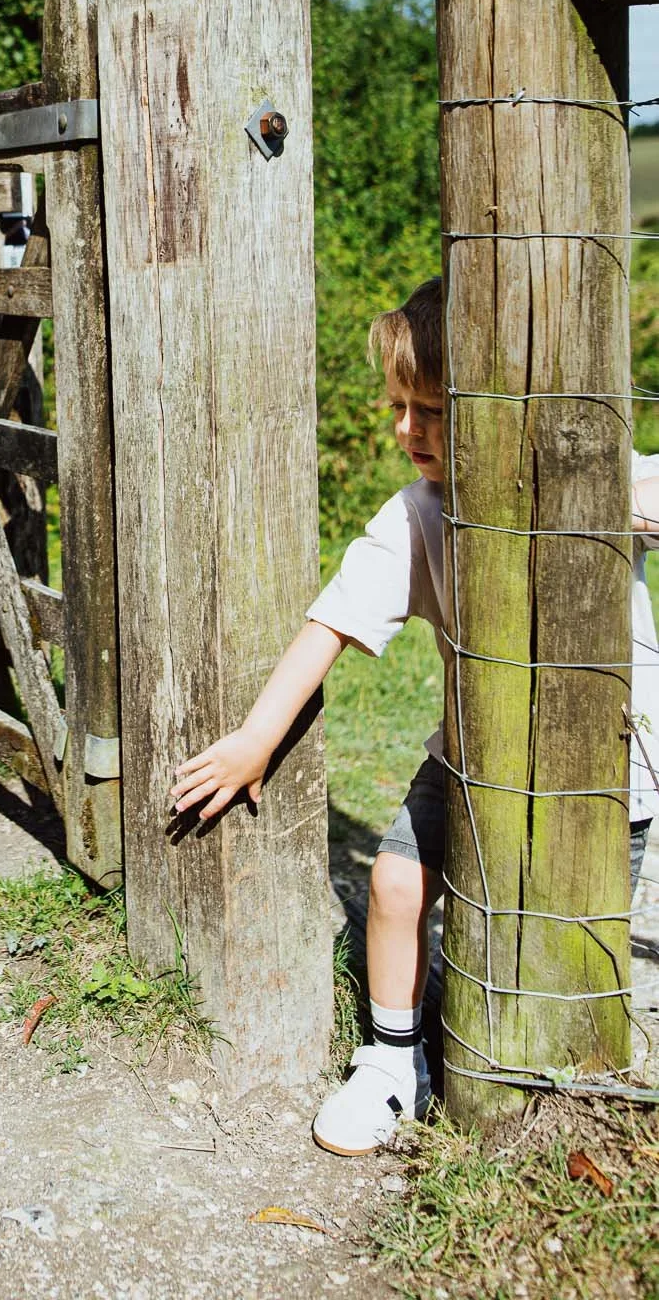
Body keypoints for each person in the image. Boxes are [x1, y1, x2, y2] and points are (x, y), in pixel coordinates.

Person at [170, 276, 658, 1155]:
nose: (406, 431)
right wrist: (253, 739)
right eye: (399, 406)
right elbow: (329, 623)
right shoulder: (415, 515)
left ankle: (567, 1077)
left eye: (430, 409)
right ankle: (394, 1062)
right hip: (470, 752)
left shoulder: (588, 479)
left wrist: (601, 496)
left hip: (606, 761)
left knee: (566, 925)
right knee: (395, 882)